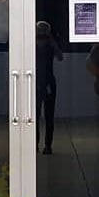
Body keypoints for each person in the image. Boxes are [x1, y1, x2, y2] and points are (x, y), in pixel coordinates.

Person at [35, 21, 63, 154]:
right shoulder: (32, 44)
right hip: (39, 82)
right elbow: (60, 57)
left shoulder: (49, 45)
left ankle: (46, 145)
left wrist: (51, 41)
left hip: (46, 82)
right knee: (36, 116)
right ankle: (38, 144)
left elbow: (60, 57)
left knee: (47, 116)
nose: (40, 34)